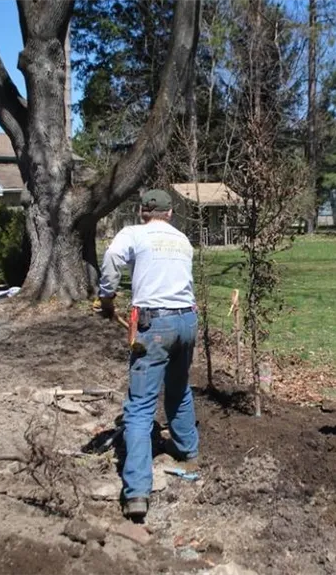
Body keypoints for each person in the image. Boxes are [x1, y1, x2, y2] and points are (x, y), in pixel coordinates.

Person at [96, 188, 199, 520]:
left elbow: (112, 257)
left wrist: (107, 297)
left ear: (143, 211)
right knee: (179, 387)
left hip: (155, 325)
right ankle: (185, 448)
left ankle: (137, 491)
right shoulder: (183, 240)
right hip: (186, 320)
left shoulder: (134, 233)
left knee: (139, 407)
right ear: (169, 213)